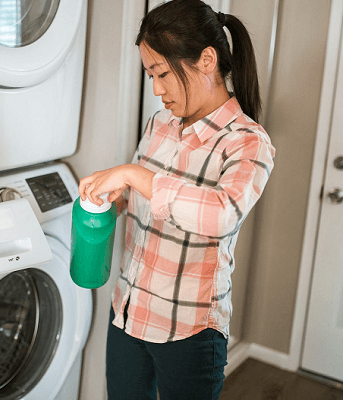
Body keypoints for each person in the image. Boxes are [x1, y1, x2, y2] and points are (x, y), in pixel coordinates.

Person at [79, 0, 275, 399]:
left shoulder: (247, 142)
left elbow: (221, 215)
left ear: (207, 60)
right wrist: (113, 200)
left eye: (163, 73)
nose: (156, 89)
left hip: (188, 331)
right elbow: (140, 198)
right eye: (150, 74)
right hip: (128, 313)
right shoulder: (159, 125)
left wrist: (133, 174)